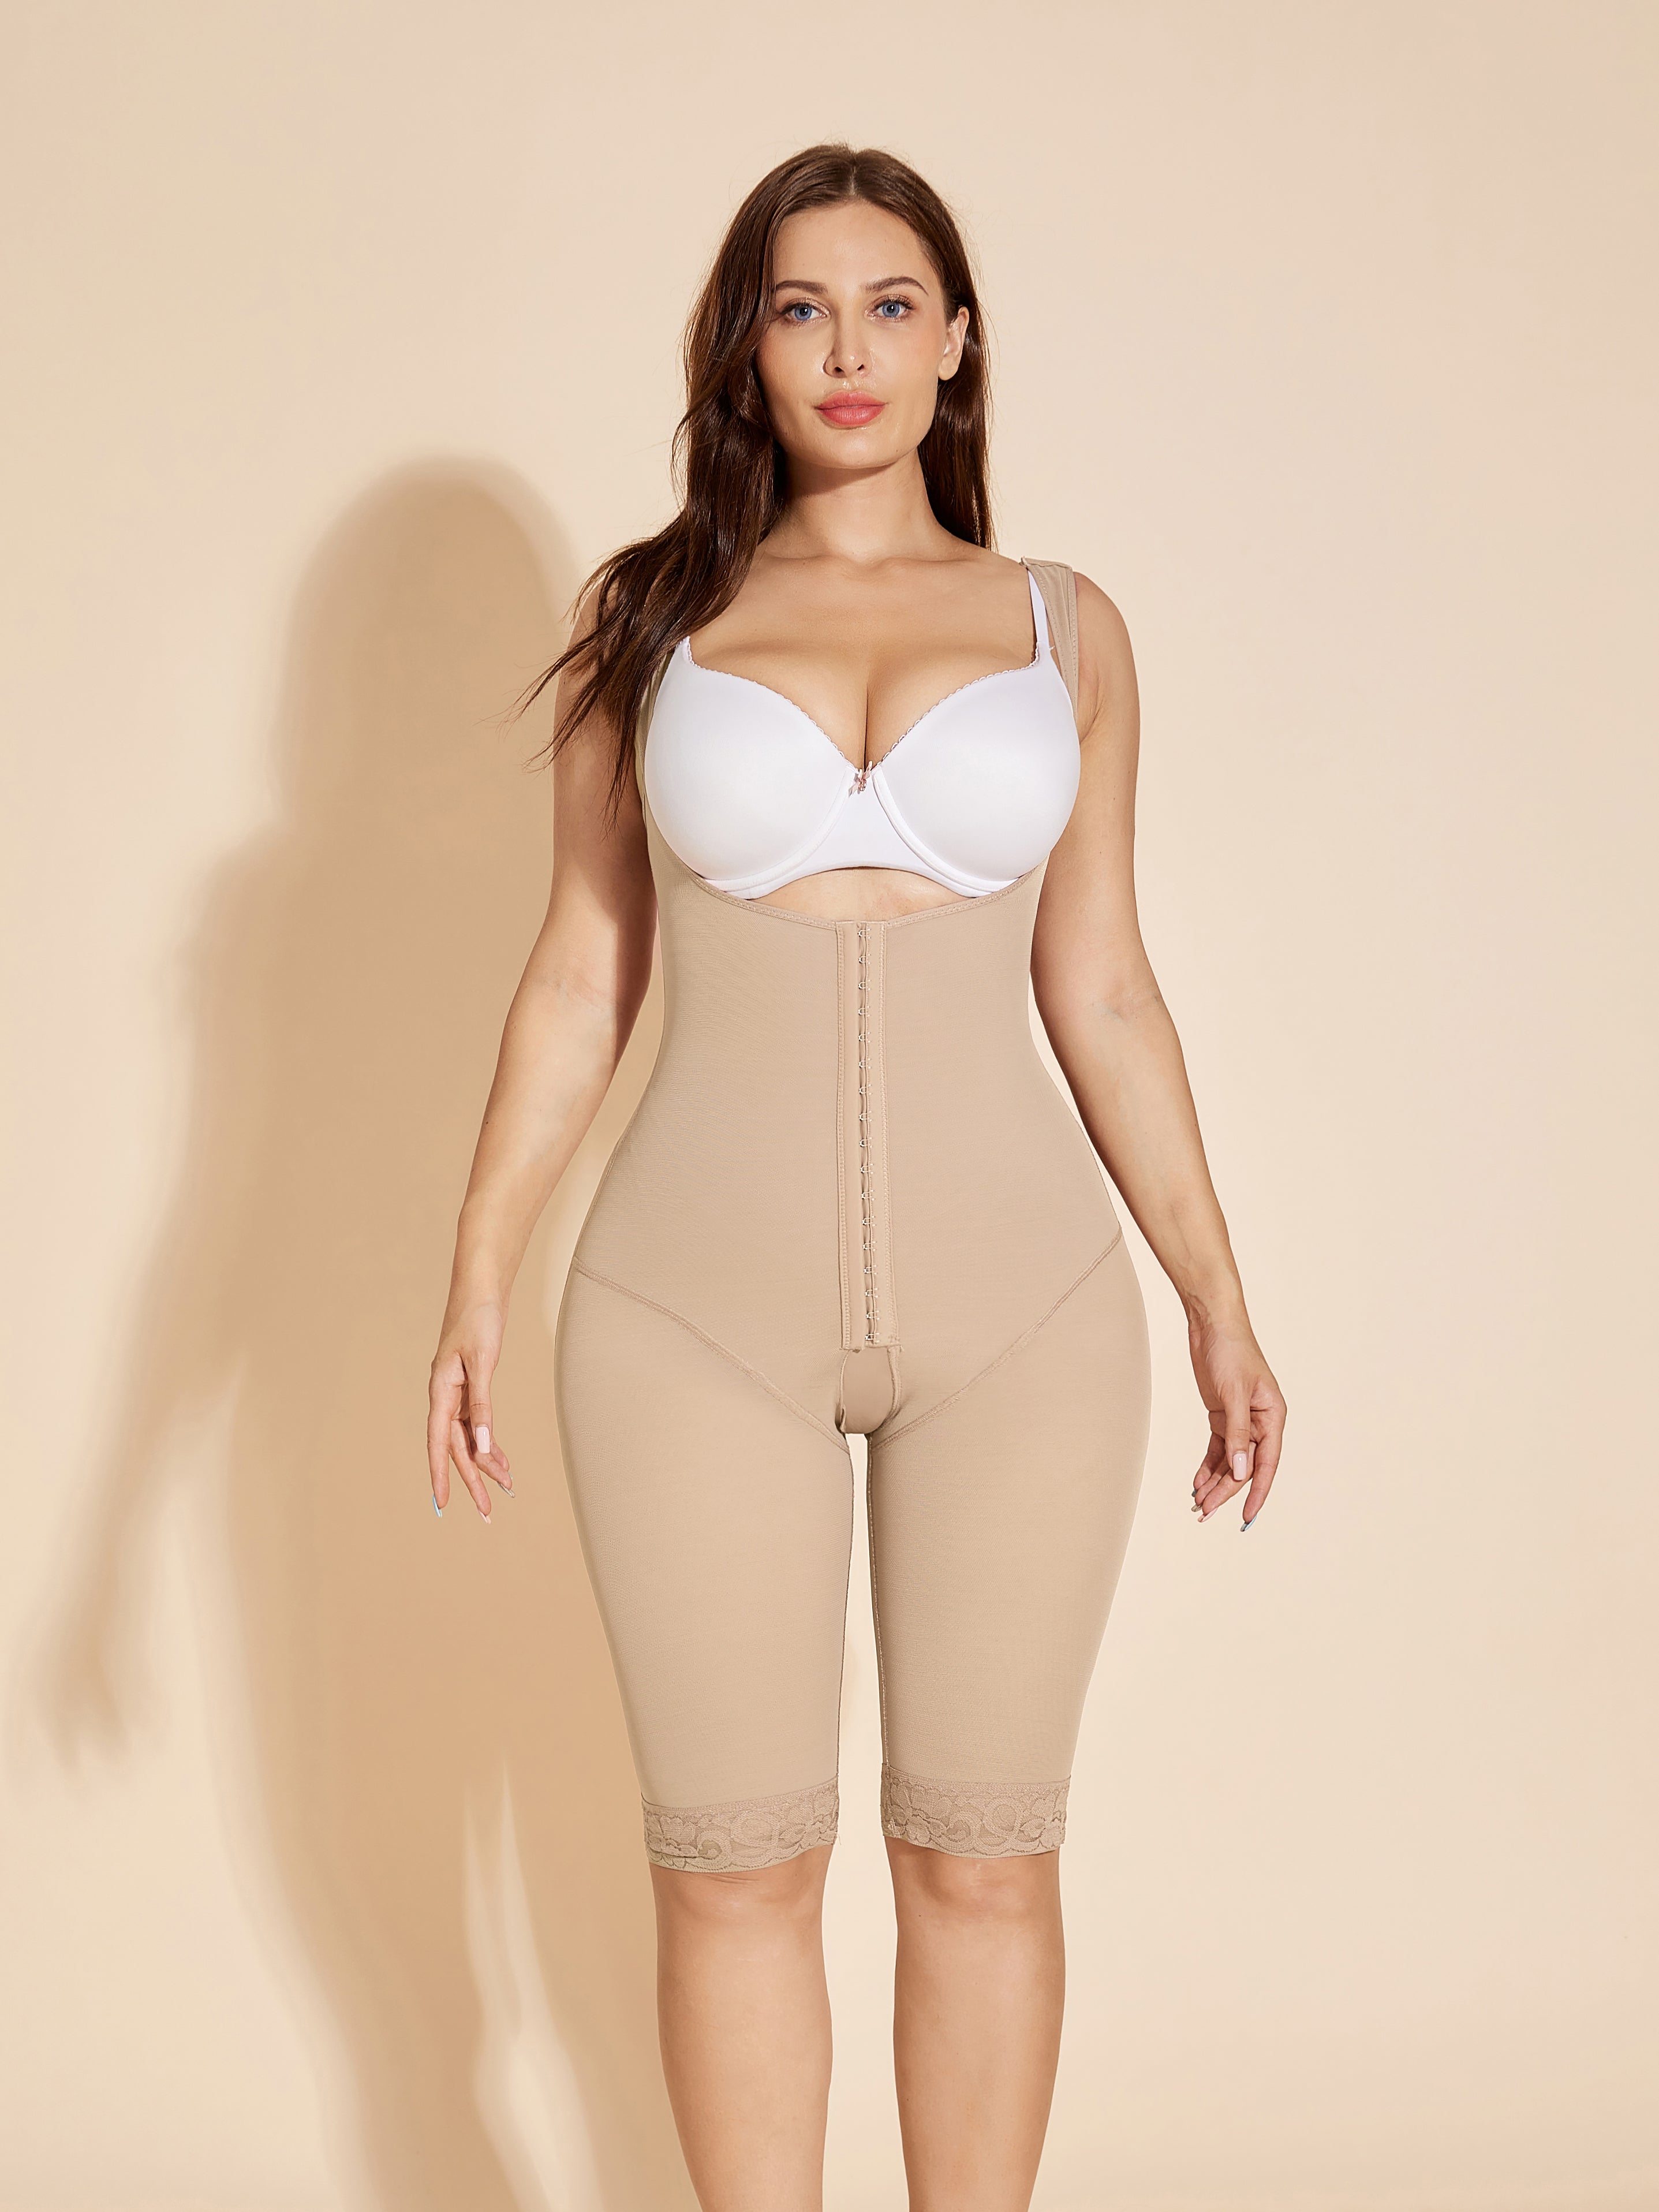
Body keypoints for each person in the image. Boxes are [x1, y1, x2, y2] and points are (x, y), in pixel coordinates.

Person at [427, 141, 1286, 2212]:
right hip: (683, 1316)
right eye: (798, 307)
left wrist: (1220, 1302)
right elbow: (581, 975)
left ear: (956, 341)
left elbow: (1104, 988)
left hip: (1025, 1319)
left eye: (891, 304)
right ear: (744, 346)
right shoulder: (650, 618)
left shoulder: (1065, 628)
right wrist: (475, 1276)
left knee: (982, 1862)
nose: (847, 348)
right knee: (734, 1871)